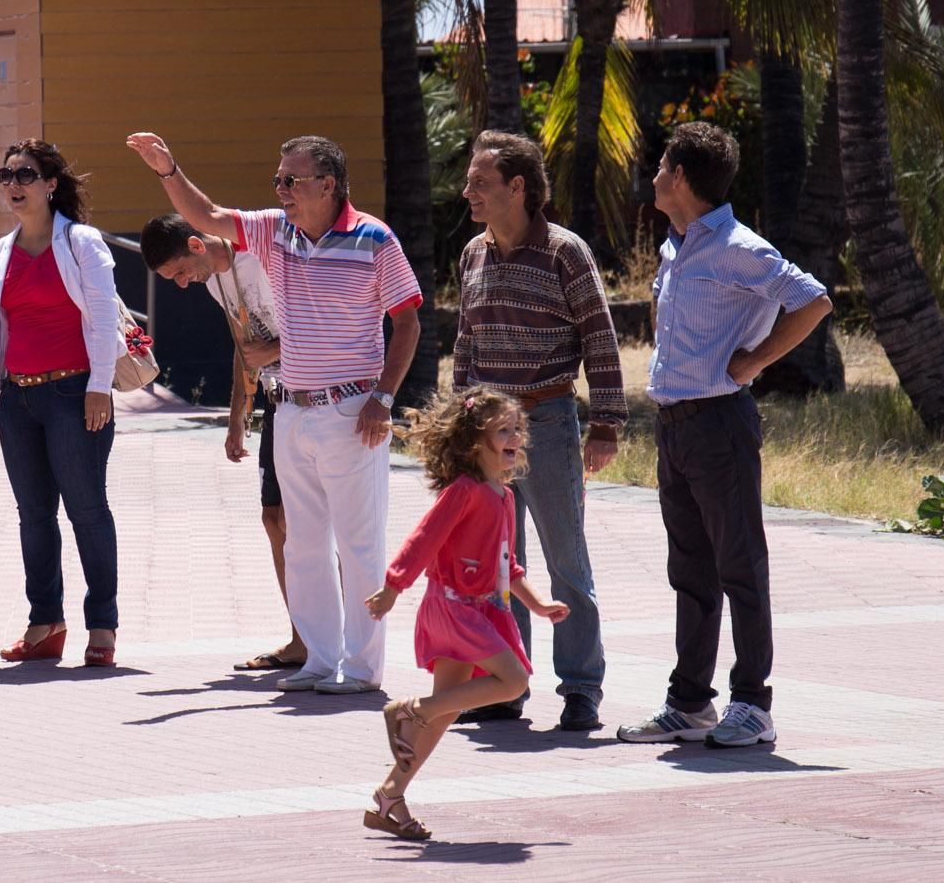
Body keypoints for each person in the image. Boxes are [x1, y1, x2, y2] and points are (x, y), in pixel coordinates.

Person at [127, 132, 422, 694]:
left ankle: (361, 670)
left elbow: (407, 321)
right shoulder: (274, 231)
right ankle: (318, 659)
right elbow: (206, 214)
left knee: (359, 546)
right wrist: (168, 169)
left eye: (292, 180)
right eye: (278, 180)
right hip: (290, 412)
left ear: (328, 184)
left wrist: (384, 399)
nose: (281, 189)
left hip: (352, 408)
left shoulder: (374, 239)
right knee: (304, 542)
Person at [617, 122, 832, 748]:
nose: (654, 175)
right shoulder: (674, 248)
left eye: (660, 165)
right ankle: (690, 703)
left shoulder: (739, 245)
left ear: (680, 177)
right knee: (690, 570)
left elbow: (813, 301)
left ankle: (753, 706)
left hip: (720, 424)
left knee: (740, 566)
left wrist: (756, 361)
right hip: (674, 425)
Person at [450, 131, 624, 731]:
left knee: (565, 563)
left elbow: (599, 337)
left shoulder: (564, 252)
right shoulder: (474, 253)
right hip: (484, 432)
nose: (467, 191)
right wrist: (457, 426)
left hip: (547, 423)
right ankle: (505, 685)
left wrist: (605, 423)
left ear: (518, 186)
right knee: (498, 565)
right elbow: (466, 342)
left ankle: (580, 688)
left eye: (480, 182)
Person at [362, 387, 571, 839]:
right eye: (503, 430)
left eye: (518, 428)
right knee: (512, 681)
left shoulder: (504, 495)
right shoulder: (465, 490)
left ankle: (388, 798)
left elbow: (507, 565)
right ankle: (408, 709)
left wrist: (537, 604)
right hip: (454, 608)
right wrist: (392, 587)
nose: (515, 436)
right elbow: (424, 538)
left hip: (477, 609)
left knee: (443, 714)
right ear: (476, 441)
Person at [0, 139, 123, 667]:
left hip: (73, 393)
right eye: (6, 175)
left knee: (86, 510)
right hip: (19, 400)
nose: (14, 184)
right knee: (33, 516)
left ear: (51, 184)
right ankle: (46, 623)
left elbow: (104, 319)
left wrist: (99, 386)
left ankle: (101, 626)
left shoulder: (81, 243)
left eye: (26, 175)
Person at [139, 213, 304, 671]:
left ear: (195, 245)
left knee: (305, 523)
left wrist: (272, 353)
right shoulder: (217, 280)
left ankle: (336, 637)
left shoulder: (264, 260)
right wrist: (237, 417)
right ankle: (301, 638)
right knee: (274, 519)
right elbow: (242, 341)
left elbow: (321, 325)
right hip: (275, 399)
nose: (182, 285)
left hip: (315, 397)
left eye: (178, 273)